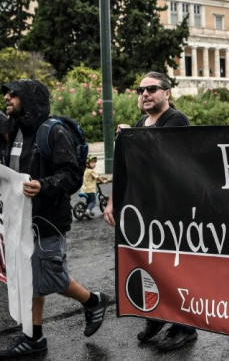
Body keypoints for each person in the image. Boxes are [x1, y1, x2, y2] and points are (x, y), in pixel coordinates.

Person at [0, 80, 109, 358]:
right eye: (6, 94)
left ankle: (93, 301)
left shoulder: (53, 131)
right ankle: (34, 337)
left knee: (50, 276)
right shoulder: (13, 131)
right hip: (19, 219)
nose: (7, 97)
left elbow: (72, 175)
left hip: (46, 220)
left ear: (29, 99)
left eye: (13, 94)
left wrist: (43, 185)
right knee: (30, 277)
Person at [103, 72, 196, 351]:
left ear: (166, 93)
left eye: (152, 89)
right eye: (141, 90)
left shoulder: (176, 120)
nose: (144, 94)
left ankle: (185, 327)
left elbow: (165, 160)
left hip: (172, 210)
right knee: (150, 264)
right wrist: (112, 201)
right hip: (145, 209)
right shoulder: (141, 123)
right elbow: (129, 167)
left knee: (174, 268)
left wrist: (134, 136)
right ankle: (157, 314)